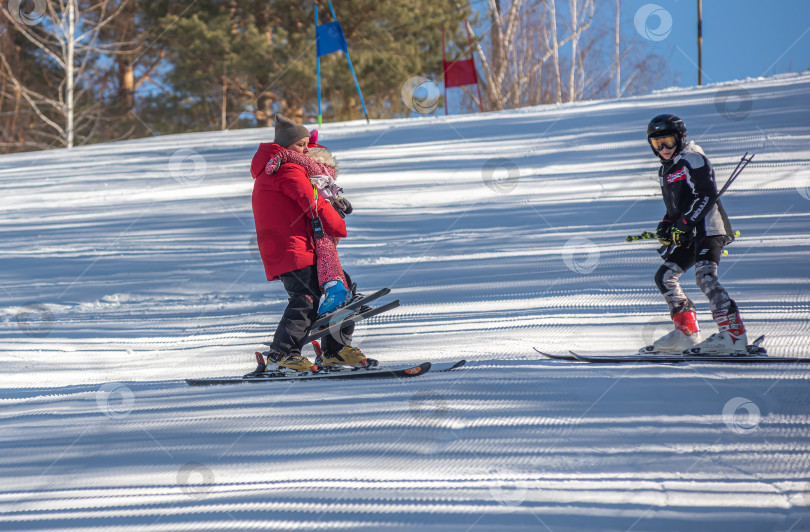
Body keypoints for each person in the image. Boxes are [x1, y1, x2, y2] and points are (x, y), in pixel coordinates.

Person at [249, 114, 369, 373]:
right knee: (304, 298)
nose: (306, 150)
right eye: (300, 145)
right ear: (285, 145)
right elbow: (311, 201)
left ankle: (335, 352)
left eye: (307, 144)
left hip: (301, 248)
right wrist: (337, 223)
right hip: (292, 249)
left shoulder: (280, 166)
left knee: (341, 289)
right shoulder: (287, 169)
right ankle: (281, 355)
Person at [644, 113, 748, 354]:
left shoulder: (693, 158)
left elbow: (706, 195)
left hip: (709, 229)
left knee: (704, 275)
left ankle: (733, 335)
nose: (664, 148)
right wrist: (668, 223)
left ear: (681, 138)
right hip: (689, 233)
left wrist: (683, 222)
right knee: (665, 276)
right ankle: (686, 334)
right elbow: (677, 206)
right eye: (657, 144)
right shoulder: (666, 170)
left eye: (668, 141)